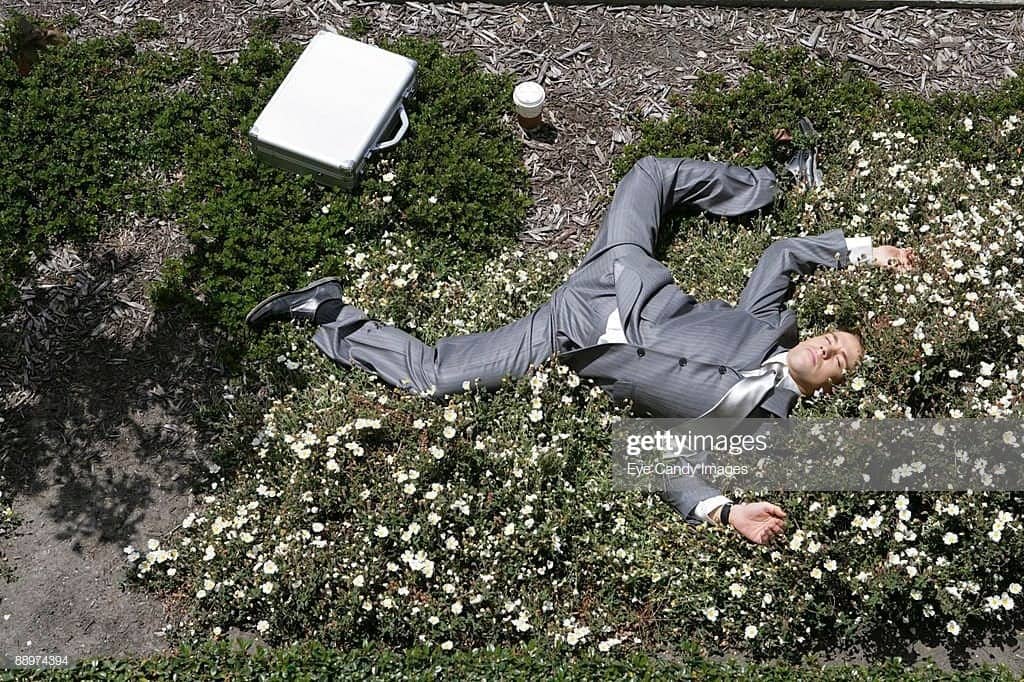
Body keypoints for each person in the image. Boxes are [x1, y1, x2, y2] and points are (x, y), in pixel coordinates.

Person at [247, 155, 914, 544]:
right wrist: (863, 252)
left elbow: (656, 455)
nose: (826, 348)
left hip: (571, 336)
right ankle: (774, 178)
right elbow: (783, 254)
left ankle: (324, 308)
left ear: (832, 387)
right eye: (832, 338)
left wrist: (724, 509)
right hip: (622, 275)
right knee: (650, 173)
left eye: (838, 360)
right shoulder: (768, 325)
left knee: (432, 380)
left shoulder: (762, 426)